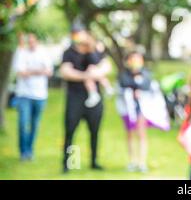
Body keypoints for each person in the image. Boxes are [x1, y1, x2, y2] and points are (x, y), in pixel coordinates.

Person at [60, 25, 111, 172]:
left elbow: (106, 67)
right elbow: (66, 71)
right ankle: (68, 163)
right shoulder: (69, 53)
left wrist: (93, 73)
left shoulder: (95, 51)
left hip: (95, 100)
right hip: (75, 97)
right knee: (70, 131)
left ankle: (94, 161)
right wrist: (87, 76)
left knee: (95, 131)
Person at [116, 51, 170, 173]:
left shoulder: (146, 74)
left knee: (141, 133)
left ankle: (141, 162)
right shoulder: (123, 75)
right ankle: (132, 161)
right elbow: (123, 85)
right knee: (130, 133)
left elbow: (148, 87)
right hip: (127, 108)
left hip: (142, 108)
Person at [13, 33, 53, 161]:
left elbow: (49, 71)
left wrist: (31, 71)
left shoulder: (44, 53)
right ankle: (23, 152)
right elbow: (21, 72)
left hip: (40, 95)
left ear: (36, 41)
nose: (30, 43)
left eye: (32, 41)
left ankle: (30, 150)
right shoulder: (21, 52)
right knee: (23, 123)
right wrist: (38, 70)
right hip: (24, 95)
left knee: (35, 124)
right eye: (28, 41)